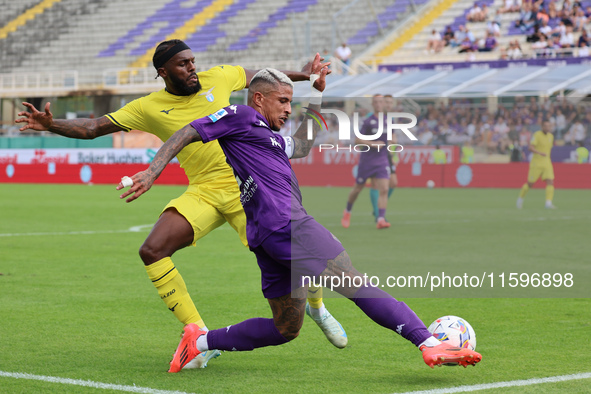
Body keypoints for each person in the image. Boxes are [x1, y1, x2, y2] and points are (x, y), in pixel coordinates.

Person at [118, 67, 482, 373]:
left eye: (291, 102)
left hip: (266, 235)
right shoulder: (241, 116)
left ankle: (200, 340)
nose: (289, 109)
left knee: (286, 327)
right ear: (258, 99)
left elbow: (303, 146)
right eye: (283, 101)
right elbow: (190, 131)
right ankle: (430, 343)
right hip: (288, 225)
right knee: (355, 283)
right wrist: (152, 171)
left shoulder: (267, 138)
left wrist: (317, 96)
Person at [15, 40, 347, 369]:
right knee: (152, 249)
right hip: (203, 191)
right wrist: (51, 124)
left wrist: (305, 76)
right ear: (163, 71)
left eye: (192, 61)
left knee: (294, 254)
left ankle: (317, 306)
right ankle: (198, 336)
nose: (192, 68)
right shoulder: (147, 107)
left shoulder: (220, 76)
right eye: (183, 64)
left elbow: (264, 77)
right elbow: (93, 127)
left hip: (247, 188)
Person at [341, 94, 392, 230]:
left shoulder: (388, 121)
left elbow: (390, 137)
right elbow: (357, 140)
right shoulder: (368, 121)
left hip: (382, 160)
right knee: (358, 188)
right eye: (376, 102)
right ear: (373, 104)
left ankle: (380, 219)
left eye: (381, 102)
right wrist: (373, 143)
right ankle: (347, 211)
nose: (379, 104)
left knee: (385, 188)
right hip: (367, 161)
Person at [517, 120, 556, 209]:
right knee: (530, 183)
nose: (548, 128)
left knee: (550, 181)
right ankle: (520, 198)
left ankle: (548, 203)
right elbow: (530, 147)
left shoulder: (551, 136)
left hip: (547, 162)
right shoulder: (537, 135)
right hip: (537, 162)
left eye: (549, 126)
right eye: (546, 126)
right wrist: (540, 153)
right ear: (542, 127)